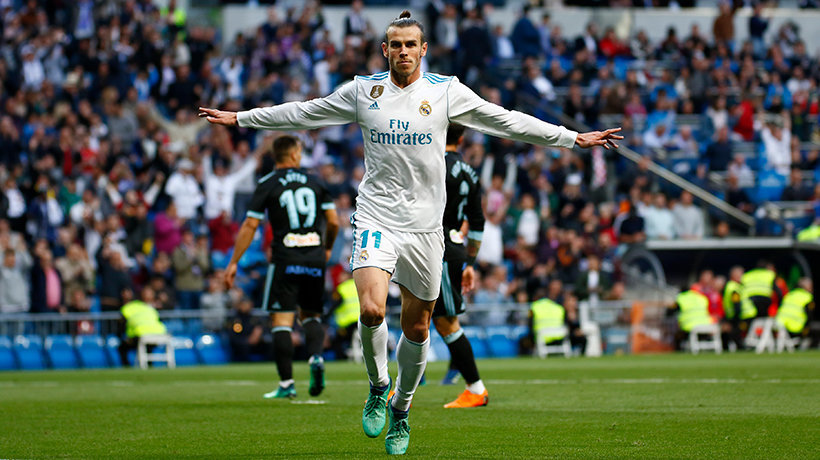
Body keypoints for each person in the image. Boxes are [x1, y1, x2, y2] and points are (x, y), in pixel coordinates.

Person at [199, 11, 620, 455]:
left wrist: (572, 138)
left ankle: (401, 407)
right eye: (395, 45)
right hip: (376, 217)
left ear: (423, 49)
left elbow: (506, 120)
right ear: (385, 49)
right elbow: (305, 113)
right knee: (372, 309)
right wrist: (242, 118)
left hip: (426, 228)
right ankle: (378, 385)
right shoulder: (365, 91)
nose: (402, 51)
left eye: (410, 45)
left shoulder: (446, 92)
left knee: (418, 326)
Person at [221, 135, 339, 400]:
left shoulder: (267, 183)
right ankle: (316, 358)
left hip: (285, 257)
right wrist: (327, 247)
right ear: (295, 154)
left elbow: (250, 225)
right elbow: (333, 221)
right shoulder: (316, 181)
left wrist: (233, 263)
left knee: (282, 321)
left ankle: (287, 382)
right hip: (314, 258)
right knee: (310, 316)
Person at [432, 124, 488, 408]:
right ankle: (404, 390)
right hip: (454, 247)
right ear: (462, 138)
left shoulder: (433, 163)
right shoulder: (469, 171)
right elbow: (477, 222)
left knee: (444, 321)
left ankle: (476, 388)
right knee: (418, 316)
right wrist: (470, 262)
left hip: (435, 247)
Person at [119, 286, 167, 367]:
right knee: (148, 348)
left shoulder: (129, 307)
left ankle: (127, 367)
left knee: (122, 347)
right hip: (159, 334)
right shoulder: (151, 308)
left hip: (140, 334)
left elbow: (122, 325)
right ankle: (149, 365)